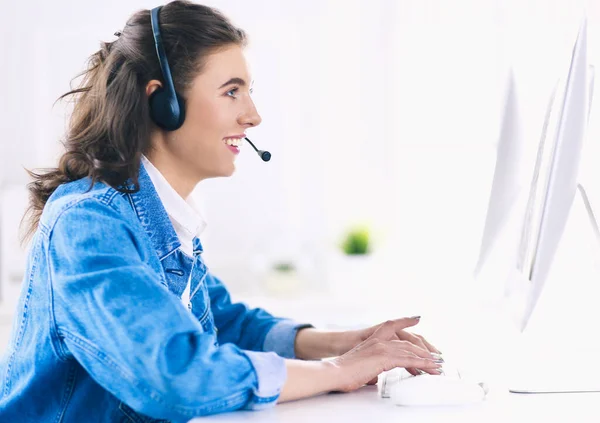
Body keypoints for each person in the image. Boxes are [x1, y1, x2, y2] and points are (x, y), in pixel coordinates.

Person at [0, 1, 443, 421]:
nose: (253, 116)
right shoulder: (89, 223)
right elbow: (176, 374)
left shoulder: (162, 219)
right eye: (232, 92)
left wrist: (343, 343)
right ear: (163, 103)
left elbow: (224, 323)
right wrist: (338, 372)